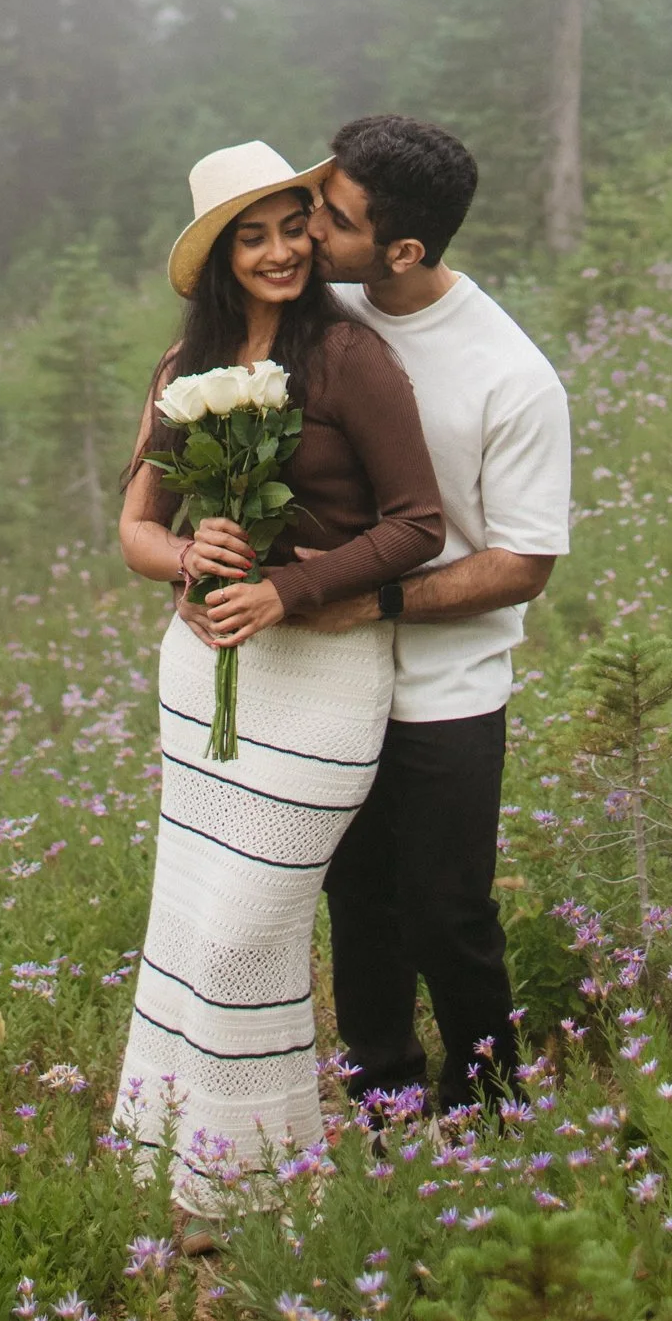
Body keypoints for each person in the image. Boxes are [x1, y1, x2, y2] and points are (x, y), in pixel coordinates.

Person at [114, 140, 444, 1235]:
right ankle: (178, 1167)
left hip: (323, 680)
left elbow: (415, 526)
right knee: (187, 921)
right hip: (205, 670)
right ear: (218, 257)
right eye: (249, 237)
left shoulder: (347, 359)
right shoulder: (183, 366)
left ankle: (261, 1194)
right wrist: (193, 559)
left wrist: (289, 589)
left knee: (245, 933)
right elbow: (132, 531)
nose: (278, 252)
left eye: (291, 226)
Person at [299, 112, 572, 1118]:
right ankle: (382, 1101)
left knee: (446, 913)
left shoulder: (511, 376)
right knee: (355, 901)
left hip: (447, 684)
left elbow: (521, 563)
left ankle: (491, 1102)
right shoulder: (319, 310)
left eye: (329, 214)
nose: (305, 225)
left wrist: (368, 601)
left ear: (403, 248)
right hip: (329, 672)